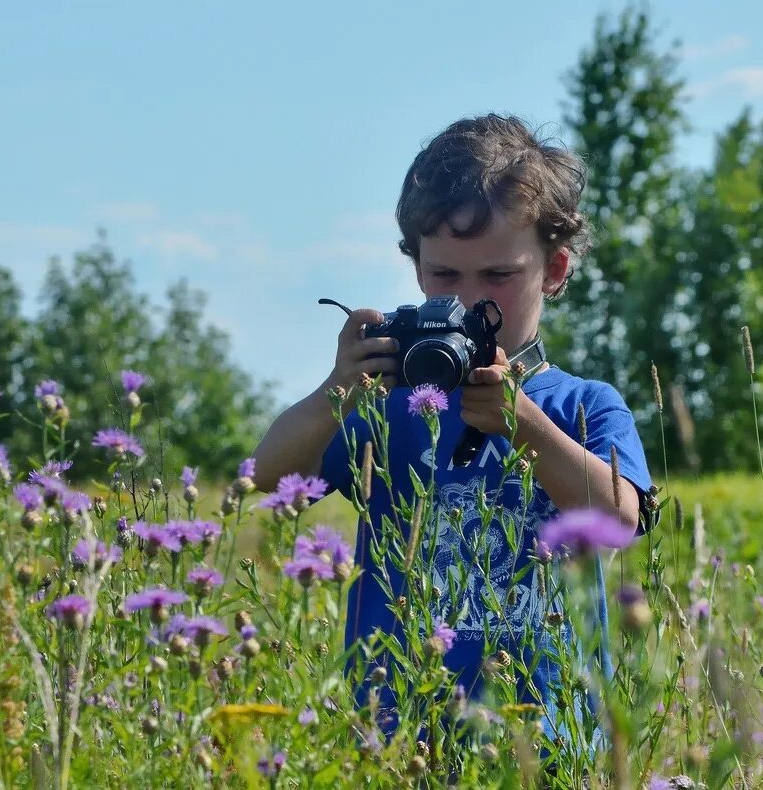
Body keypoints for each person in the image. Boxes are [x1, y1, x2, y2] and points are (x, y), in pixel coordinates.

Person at [250, 113, 651, 755]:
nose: (469, 301)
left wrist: (524, 424)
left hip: (542, 738)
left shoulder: (583, 405)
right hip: (396, 733)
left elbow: (623, 518)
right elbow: (264, 477)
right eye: (445, 276)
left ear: (553, 270)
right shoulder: (388, 406)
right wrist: (338, 390)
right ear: (416, 270)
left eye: (498, 277)